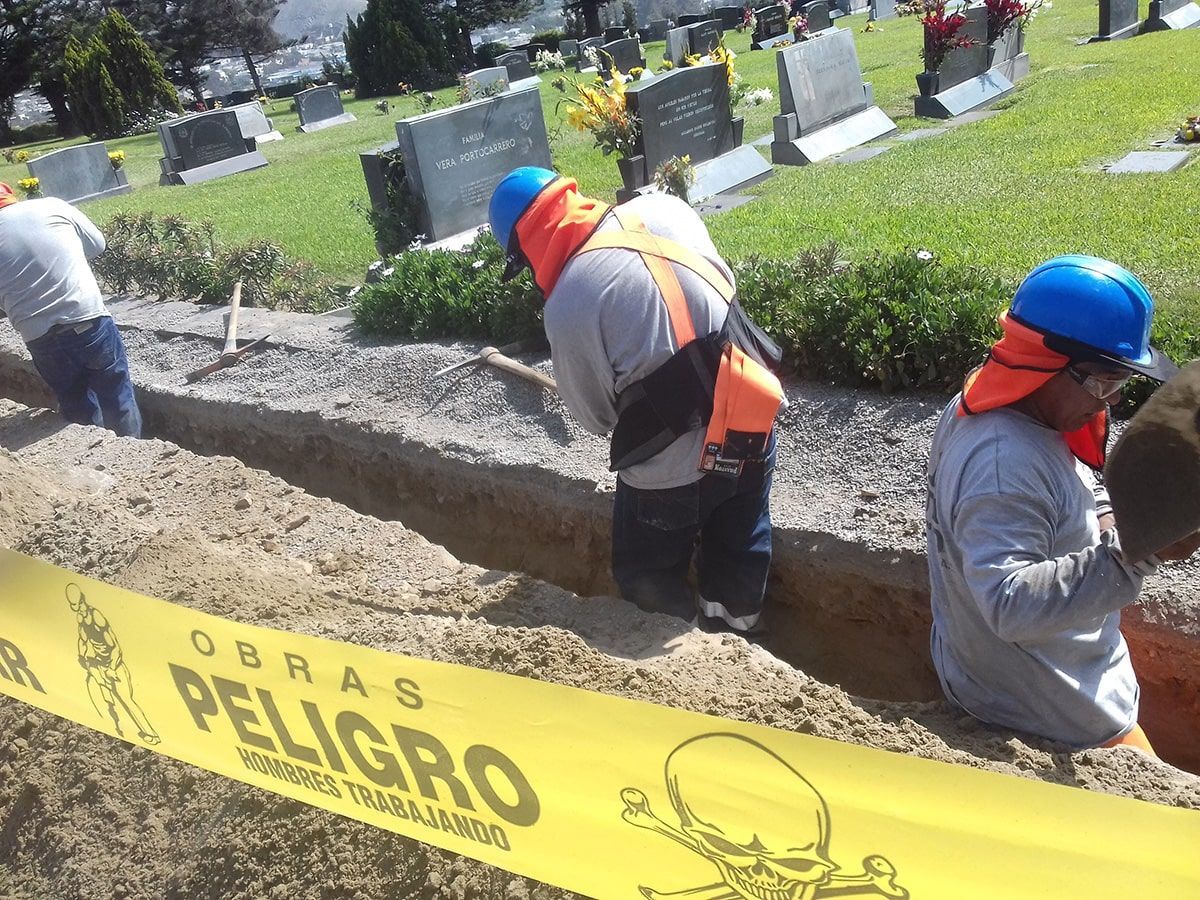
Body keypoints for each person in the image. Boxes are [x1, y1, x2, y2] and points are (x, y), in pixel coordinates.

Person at [489, 167, 785, 636]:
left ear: (525, 249)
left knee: (645, 568)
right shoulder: (664, 208)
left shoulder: (569, 304)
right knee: (740, 540)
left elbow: (595, 418)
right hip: (749, 421)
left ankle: (686, 657)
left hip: (668, 475)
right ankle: (739, 638)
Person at [925, 255, 1200, 755]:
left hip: (993, 686)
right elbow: (1009, 605)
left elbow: (1067, 476)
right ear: (1047, 365)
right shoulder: (1003, 465)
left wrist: (1111, 513)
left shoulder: (1001, 400)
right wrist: (1137, 551)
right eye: (1104, 382)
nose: (1112, 401)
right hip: (1056, 720)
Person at [0, 182, 141, 437]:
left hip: (38, 337)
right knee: (117, 396)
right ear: (11, 195)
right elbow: (98, 245)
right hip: (87, 320)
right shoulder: (52, 206)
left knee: (75, 404)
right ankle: (132, 456)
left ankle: (92, 465)